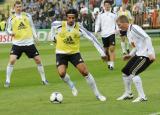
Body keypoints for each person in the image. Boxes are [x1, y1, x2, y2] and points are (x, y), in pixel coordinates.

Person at [50, 9, 107, 101]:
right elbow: (52, 26)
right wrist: (53, 38)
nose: (71, 20)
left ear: (76, 18)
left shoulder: (80, 28)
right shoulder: (58, 24)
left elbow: (92, 38)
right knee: (61, 73)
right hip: (61, 53)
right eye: (69, 18)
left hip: (74, 53)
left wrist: (102, 53)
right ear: (66, 18)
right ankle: (72, 85)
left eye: (73, 18)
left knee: (85, 72)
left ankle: (98, 94)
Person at [5, 1, 48, 87]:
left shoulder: (28, 16)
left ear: (22, 7)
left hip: (29, 43)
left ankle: (44, 79)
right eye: (17, 7)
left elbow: (32, 26)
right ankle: (7, 81)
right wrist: (11, 33)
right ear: (14, 8)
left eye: (20, 6)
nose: (19, 8)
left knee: (38, 60)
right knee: (12, 60)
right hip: (17, 43)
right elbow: (7, 30)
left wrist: (35, 37)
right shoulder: (11, 18)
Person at [116, 15, 155, 102]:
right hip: (139, 54)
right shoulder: (128, 32)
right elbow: (136, 46)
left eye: (119, 25)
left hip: (146, 55)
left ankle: (142, 96)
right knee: (125, 72)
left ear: (125, 23)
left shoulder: (134, 28)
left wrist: (150, 53)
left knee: (133, 72)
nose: (119, 27)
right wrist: (130, 55)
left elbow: (147, 38)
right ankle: (128, 94)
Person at [95, 0, 117, 70]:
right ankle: (109, 63)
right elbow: (98, 23)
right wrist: (96, 31)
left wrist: (118, 30)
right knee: (106, 50)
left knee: (112, 48)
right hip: (104, 34)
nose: (107, 6)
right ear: (104, 6)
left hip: (112, 33)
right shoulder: (100, 14)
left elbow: (117, 23)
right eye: (106, 5)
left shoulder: (114, 14)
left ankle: (112, 65)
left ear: (110, 6)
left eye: (108, 5)